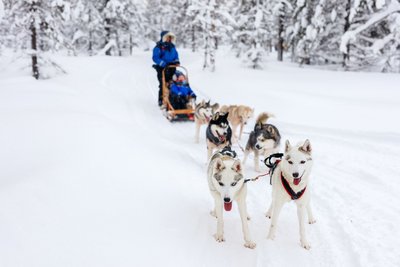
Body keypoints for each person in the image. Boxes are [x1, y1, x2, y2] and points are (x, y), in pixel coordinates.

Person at [152, 31, 180, 106]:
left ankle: (173, 98)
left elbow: (176, 55)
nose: (169, 39)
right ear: (164, 37)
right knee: (163, 84)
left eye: (170, 37)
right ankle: (161, 100)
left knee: (173, 83)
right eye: (168, 37)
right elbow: (155, 58)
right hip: (162, 68)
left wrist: (177, 61)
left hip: (171, 67)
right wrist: (163, 63)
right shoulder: (159, 47)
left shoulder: (172, 47)